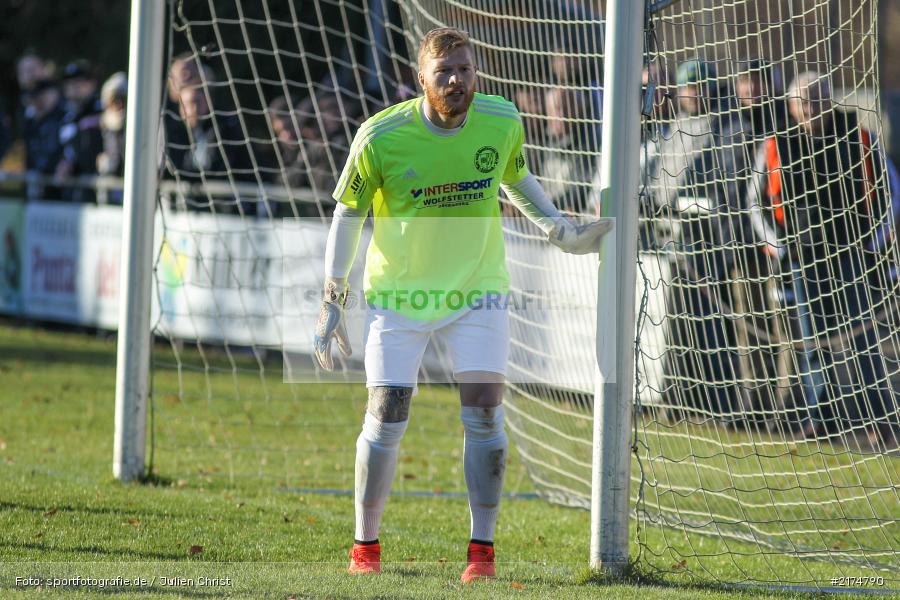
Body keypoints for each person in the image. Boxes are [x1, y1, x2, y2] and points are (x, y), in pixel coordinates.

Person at [312, 27, 612, 581]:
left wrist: (558, 230)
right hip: (400, 298)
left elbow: (517, 179)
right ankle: (365, 546)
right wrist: (334, 294)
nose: (457, 81)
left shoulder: (500, 121)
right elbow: (348, 213)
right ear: (420, 79)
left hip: (478, 292)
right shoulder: (380, 136)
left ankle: (481, 555)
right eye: (445, 72)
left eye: (465, 70)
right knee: (386, 415)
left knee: (483, 413)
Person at [745, 71, 897, 447]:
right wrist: (779, 247)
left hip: (851, 255)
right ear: (792, 105)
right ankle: (820, 417)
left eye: (818, 98)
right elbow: (753, 201)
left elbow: (892, 191)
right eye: (804, 100)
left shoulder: (859, 135)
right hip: (802, 258)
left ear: (830, 100)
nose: (811, 107)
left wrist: (875, 242)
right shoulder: (776, 142)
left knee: (862, 340)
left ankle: (877, 417)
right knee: (813, 344)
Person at [644, 59, 744, 422]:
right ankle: (684, 398)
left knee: (714, 326)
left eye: (698, 87)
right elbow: (661, 180)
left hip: (711, 242)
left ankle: (719, 405)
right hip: (675, 241)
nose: (691, 94)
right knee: (680, 324)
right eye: (687, 88)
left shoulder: (729, 129)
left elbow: (731, 189)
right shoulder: (674, 129)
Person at [55, 60, 104, 201]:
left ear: (91, 84)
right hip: (71, 193)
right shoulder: (65, 116)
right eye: (69, 83)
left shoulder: (101, 110)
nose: (73, 87)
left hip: (96, 191)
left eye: (79, 82)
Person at [22, 79, 66, 177]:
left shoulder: (65, 117)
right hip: (39, 178)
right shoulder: (32, 121)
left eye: (43, 96)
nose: (39, 101)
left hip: (59, 180)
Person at [96, 72, 128, 178]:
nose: (119, 105)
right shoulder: (100, 127)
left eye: (123, 99)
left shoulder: (140, 127)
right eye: (114, 100)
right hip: (110, 187)